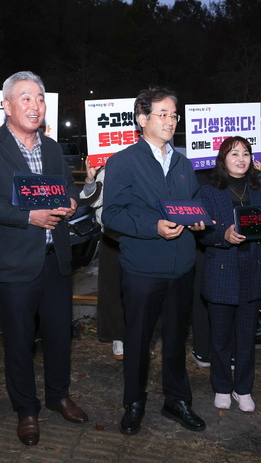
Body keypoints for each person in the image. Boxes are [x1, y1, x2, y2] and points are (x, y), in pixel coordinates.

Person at [0, 71, 87, 446]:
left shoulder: (50, 148)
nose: (35, 106)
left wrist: (71, 200)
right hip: (15, 261)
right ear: (6, 105)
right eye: (26, 98)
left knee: (58, 335)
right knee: (18, 341)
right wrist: (27, 215)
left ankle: (58, 396)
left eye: (40, 99)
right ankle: (27, 410)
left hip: (56, 259)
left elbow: (67, 188)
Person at [102, 86, 208, 435]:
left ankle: (176, 401)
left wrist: (198, 218)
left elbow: (191, 203)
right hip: (143, 268)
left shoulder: (183, 162)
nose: (170, 121)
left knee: (177, 340)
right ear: (142, 119)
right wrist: (153, 227)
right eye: (162, 114)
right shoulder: (122, 162)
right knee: (138, 341)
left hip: (182, 267)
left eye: (174, 115)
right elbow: (112, 215)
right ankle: (134, 403)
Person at [199, 136, 261, 412]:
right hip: (221, 270)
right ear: (223, 159)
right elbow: (201, 233)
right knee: (221, 336)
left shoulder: (260, 190)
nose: (241, 158)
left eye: (246, 153)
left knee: (247, 336)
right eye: (234, 153)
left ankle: (244, 388)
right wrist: (223, 235)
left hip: (253, 269)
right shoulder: (208, 192)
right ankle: (223, 386)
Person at [80, 166, 126, 360]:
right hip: (112, 235)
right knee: (112, 287)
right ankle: (118, 336)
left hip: (144, 234)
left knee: (141, 289)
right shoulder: (107, 161)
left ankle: (141, 336)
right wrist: (91, 180)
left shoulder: (148, 156)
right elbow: (93, 200)